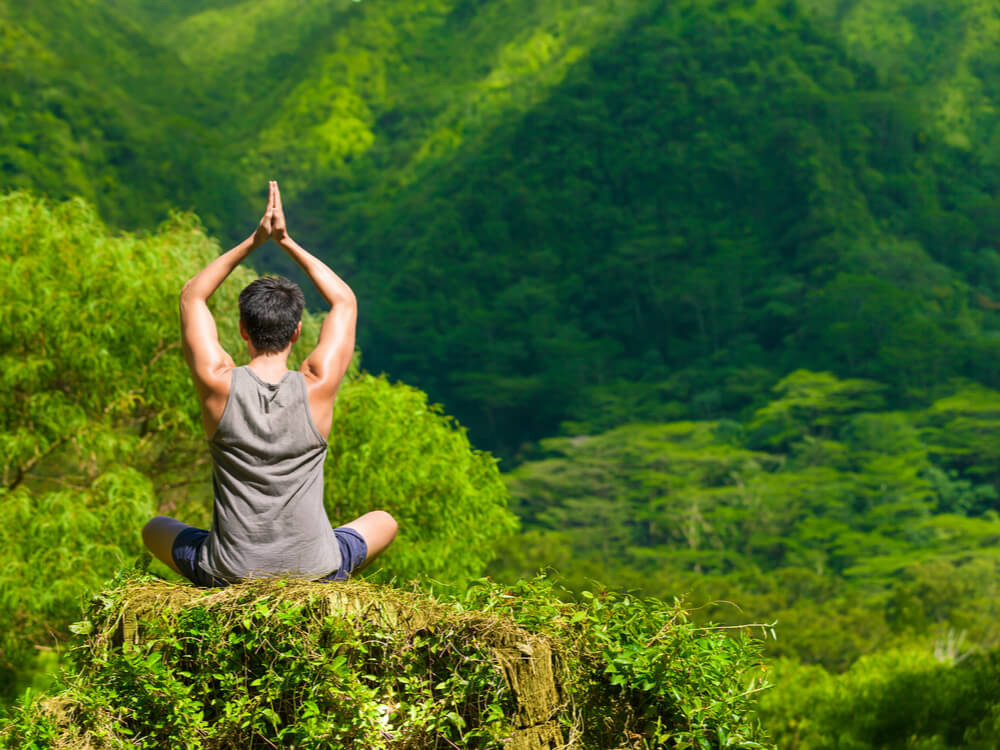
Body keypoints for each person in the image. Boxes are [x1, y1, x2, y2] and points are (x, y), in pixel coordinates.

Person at [142, 181, 397, 586]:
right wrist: (286, 241)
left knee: (154, 528)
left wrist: (253, 240)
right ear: (297, 332)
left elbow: (192, 296)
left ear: (242, 329)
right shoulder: (319, 386)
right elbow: (344, 301)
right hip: (316, 571)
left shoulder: (217, 383)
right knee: (383, 521)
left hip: (228, 573)